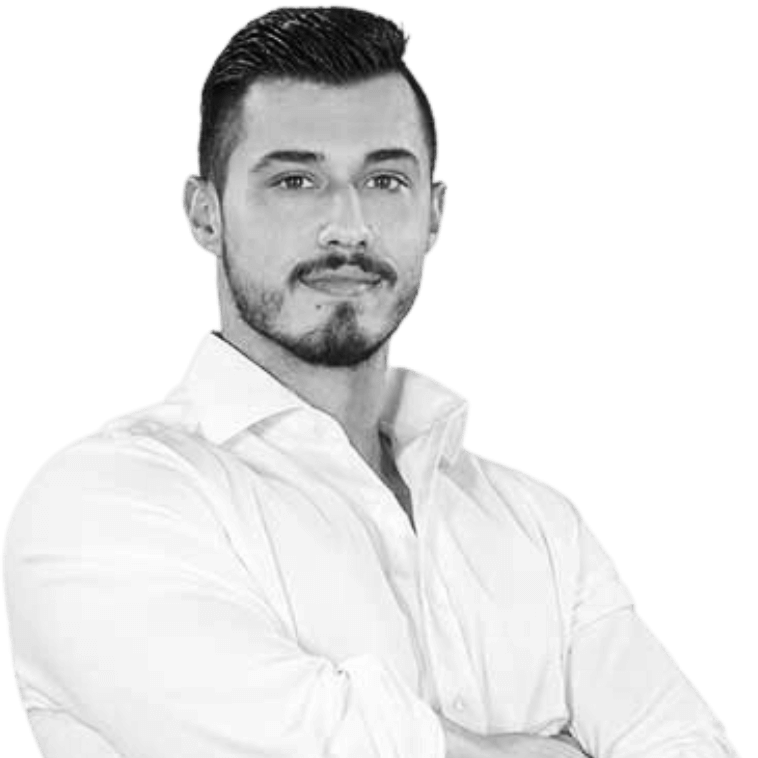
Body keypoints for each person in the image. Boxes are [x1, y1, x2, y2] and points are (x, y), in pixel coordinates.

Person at [0, 6, 740, 758]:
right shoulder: (104, 499)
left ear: (435, 216)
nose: (347, 227)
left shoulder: (537, 523)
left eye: (385, 180)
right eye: (295, 180)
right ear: (204, 214)